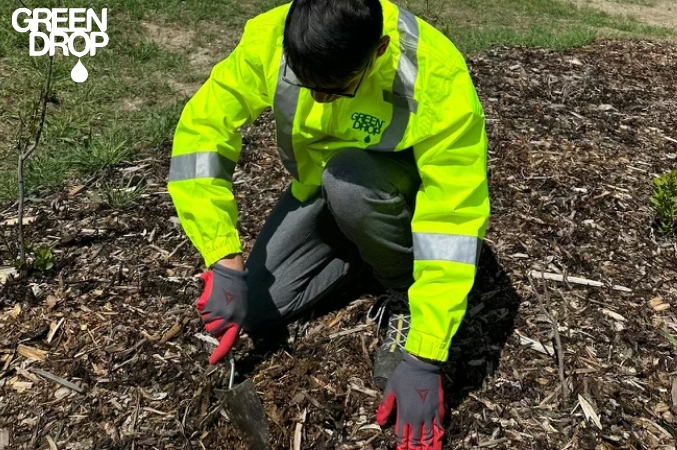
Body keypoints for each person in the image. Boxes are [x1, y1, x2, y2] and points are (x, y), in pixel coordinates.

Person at [166, 0, 490, 448]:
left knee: (350, 184)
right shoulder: (272, 38)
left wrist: (426, 354)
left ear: (378, 51)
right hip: (325, 189)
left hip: (392, 192)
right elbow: (201, 135)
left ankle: (401, 289)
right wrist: (222, 256)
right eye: (306, 83)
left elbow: (451, 219)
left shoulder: (435, 75)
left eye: (336, 89)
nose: (318, 100)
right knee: (259, 309)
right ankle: (366, 244)